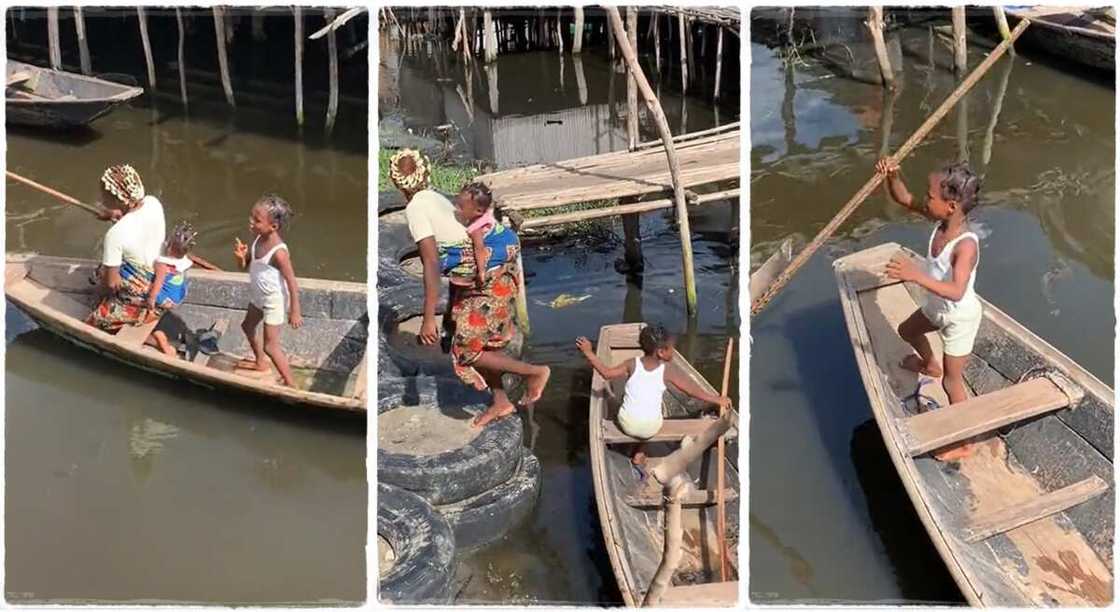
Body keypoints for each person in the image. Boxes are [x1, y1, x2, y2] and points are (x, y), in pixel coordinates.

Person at [389, 149, 550, 428]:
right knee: (480, 343)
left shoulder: (415, 208)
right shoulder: (433, 196)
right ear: (426, 174)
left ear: (396, 183)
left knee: (467, 351)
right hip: (491, 274)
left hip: (488, 278)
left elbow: (430, 264)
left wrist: (429, 318)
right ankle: (501, 401)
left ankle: (534, 372)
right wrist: (452, 307)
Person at [876, 158, 983, 461]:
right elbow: (902, 197)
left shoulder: (966, 246)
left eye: (931, 196)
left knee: (952, 381)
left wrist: (915, 275)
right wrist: (892, 175)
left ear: (950, 206)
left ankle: (965, 443)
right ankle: (930, 365)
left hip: (959, 317)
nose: (925, 200)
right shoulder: (939, 221)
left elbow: (958, 290)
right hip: (938, 305)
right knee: (907, 330)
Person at [576, 324, 731, 468]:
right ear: (661, 352)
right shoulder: (667, 370)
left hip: (627, 424)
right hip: (651, 428)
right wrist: (717, 399)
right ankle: (641, 451)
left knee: (623, 401)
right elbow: (691, 391)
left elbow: (606, 373)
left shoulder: (631, 363)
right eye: (672, 349)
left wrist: (588, 352)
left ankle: (638, 450)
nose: (673, 351)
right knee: (657, 411)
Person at [232, 194, 303, 387]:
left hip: (273, 301)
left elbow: (291, 281)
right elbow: (246, 265)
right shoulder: (257, 239)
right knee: (247, 327)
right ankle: (260, 363)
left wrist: (295, 310)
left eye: (257, 220)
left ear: (273, 227)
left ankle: (291, 384)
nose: (251, 222)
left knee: (271, 346)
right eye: (251, 217)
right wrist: (241, 257)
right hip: (258, 296)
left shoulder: (279, 253)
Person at [88, 164, 167, 331]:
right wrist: (112, 214)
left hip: (145, 283)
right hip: (161, 269)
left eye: (104, 195)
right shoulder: (153, 202)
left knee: (96, 319)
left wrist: (102, 297)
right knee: (102, 271)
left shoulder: (115, 234)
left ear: (117, 200)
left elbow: (111, 284)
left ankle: (151, 334)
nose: (101, 198)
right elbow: (135, 219)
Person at [142, 220, 198, 356]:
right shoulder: (182, 261)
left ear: (169, 247)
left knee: (141, 289)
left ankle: (165, 346)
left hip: (165, 299)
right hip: (178, 295)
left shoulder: (162, 264)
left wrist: (151, 300)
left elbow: (158, 284)